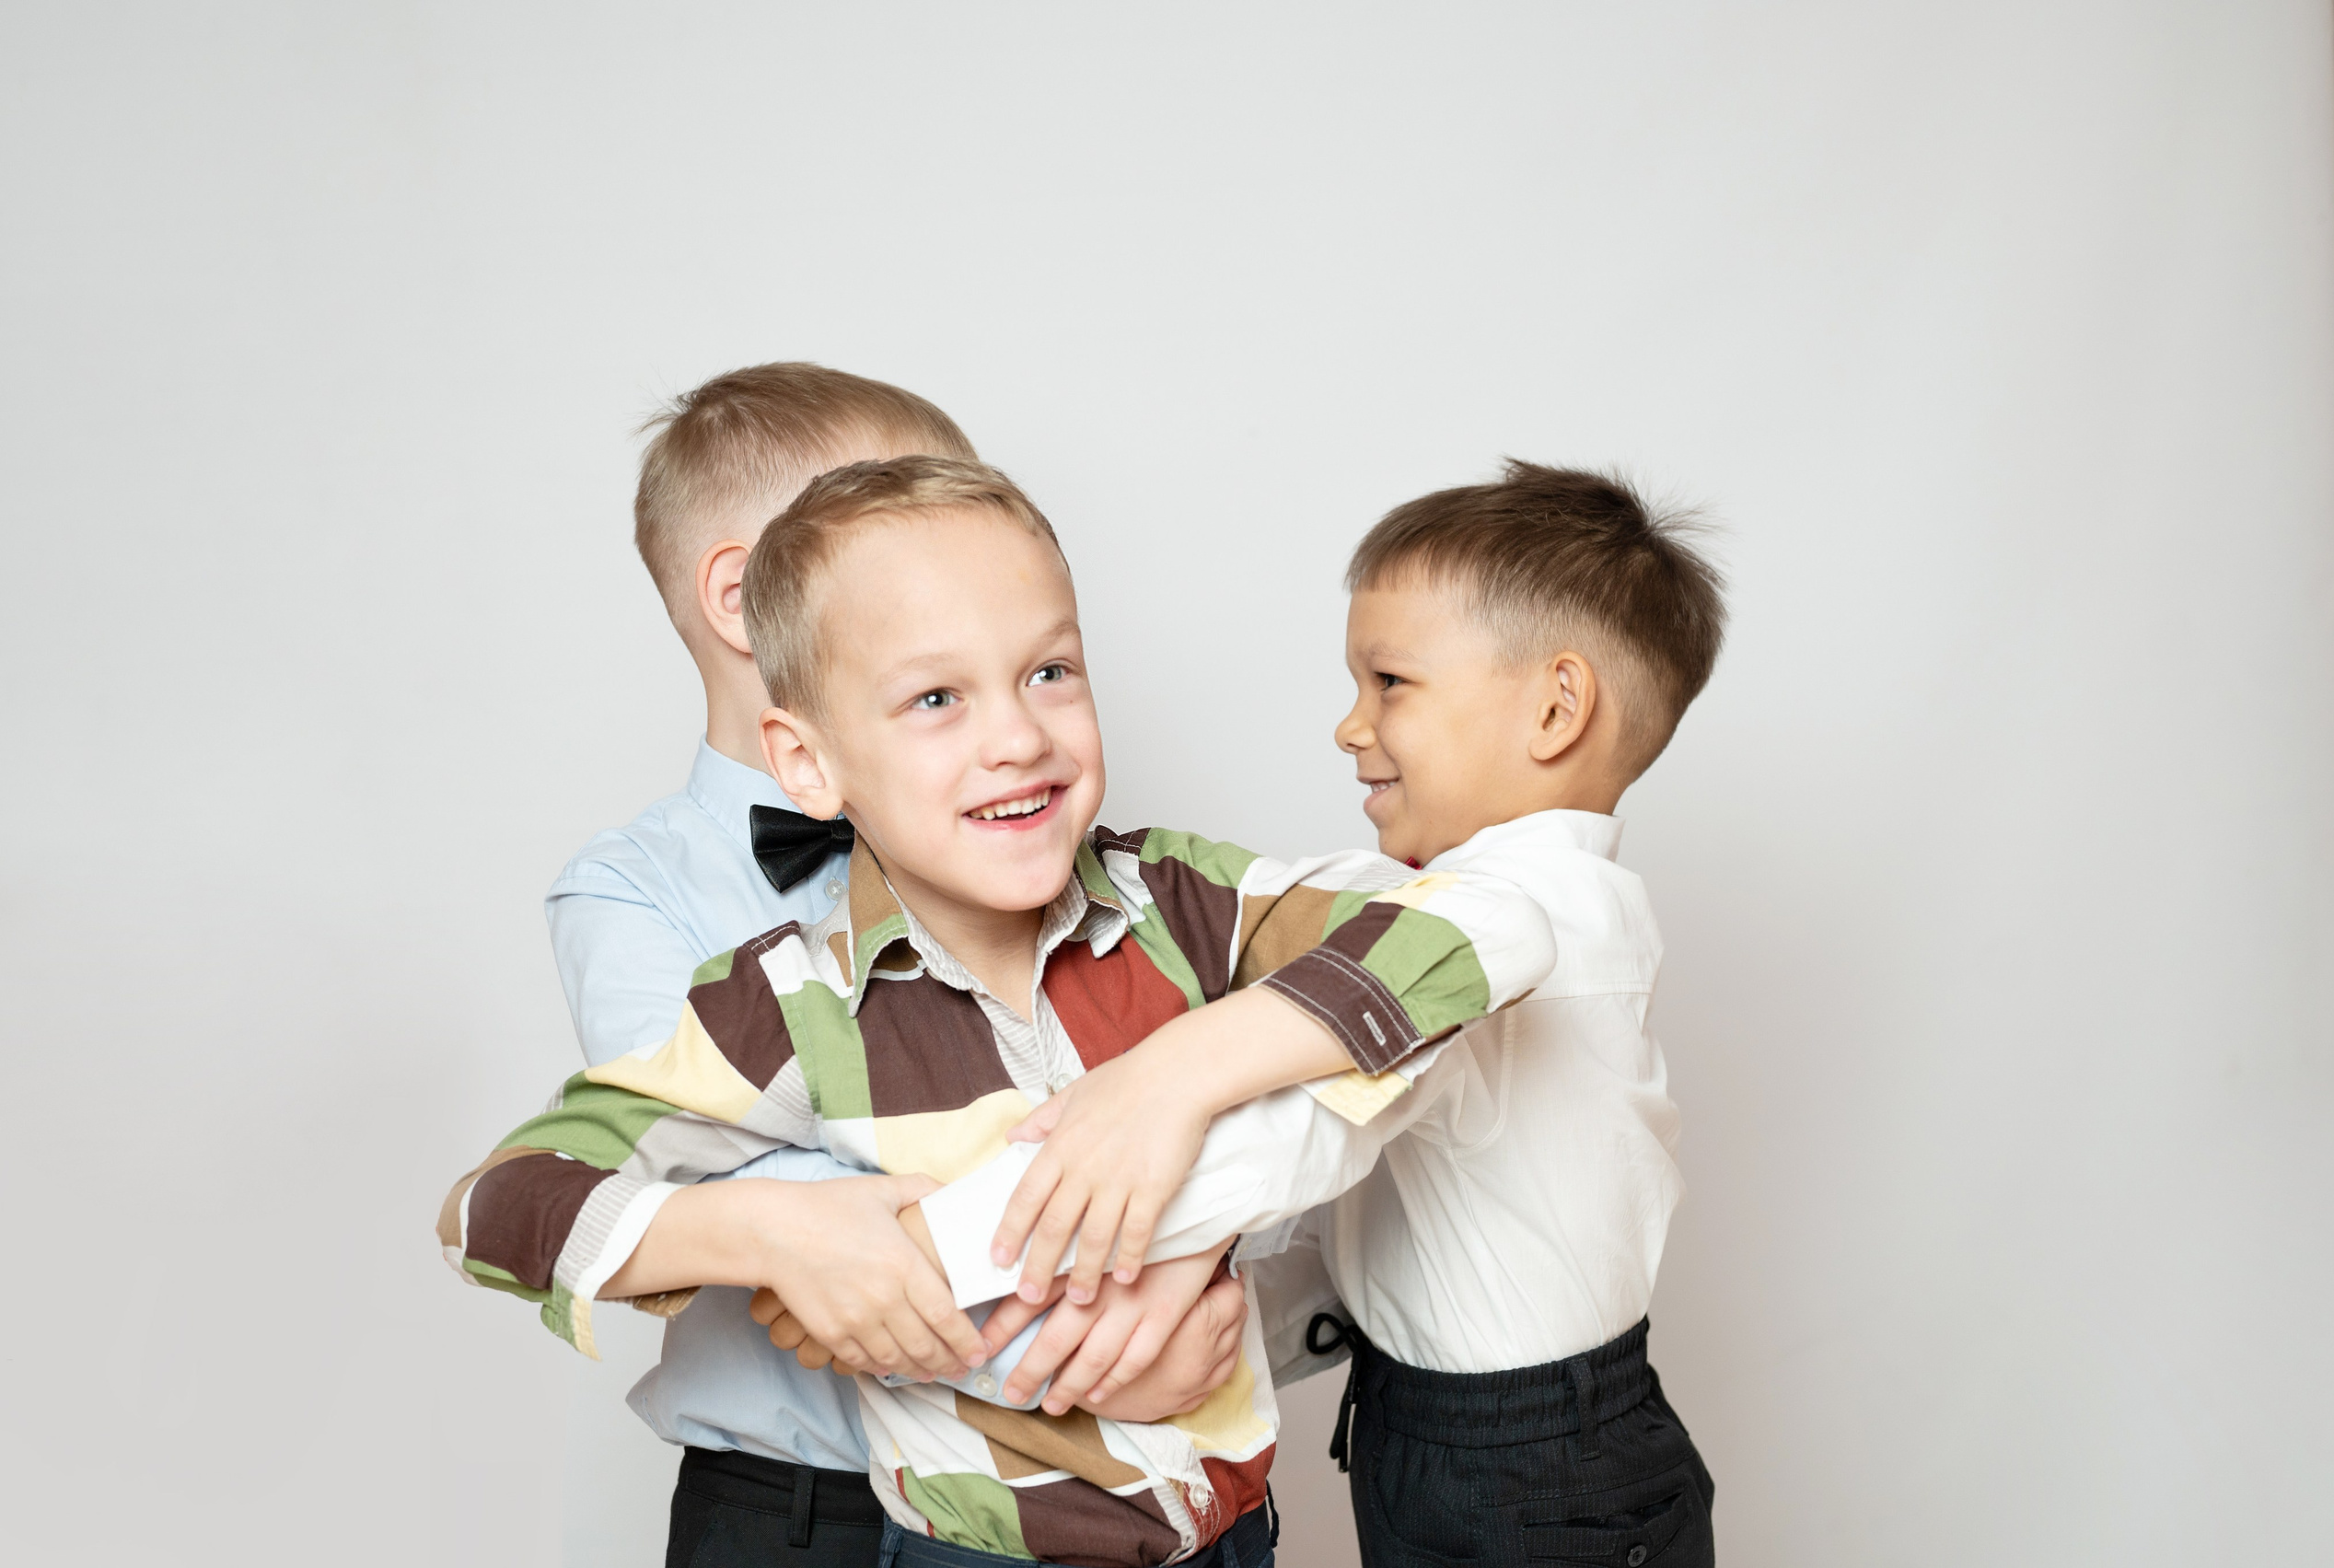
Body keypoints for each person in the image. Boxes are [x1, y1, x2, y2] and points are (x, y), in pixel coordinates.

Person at [439, 456, 1566, 1568]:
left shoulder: (1185, 901)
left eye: (1050, 671)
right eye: (936, 698)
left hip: (1236, 1535)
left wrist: (1179, 1076)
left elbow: (1495, 925)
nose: (1018, 737)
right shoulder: (790, 1008)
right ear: (807, 762)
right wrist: (767, 1232)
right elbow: (495, 1207)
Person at [928, 460, 1726, 1566]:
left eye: (1390, 680)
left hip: (1533, 1469)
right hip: (1449, 1429)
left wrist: (974, 1243)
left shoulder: (1522, 921)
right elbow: (1379, 1231)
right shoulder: (1466, 906)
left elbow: (1296, 1134)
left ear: (1554, 706)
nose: (1349, 725)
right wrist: (1215, 1319)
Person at [532, 366, 1245, 1568]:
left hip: (1090, 1477)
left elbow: (1188, 1108)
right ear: (744, 594)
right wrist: (1103, 1300)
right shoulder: (635, 890)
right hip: (802, 1509)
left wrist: (1182, 1257)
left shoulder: (1038, 841)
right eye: (883, 511)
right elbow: (814, 1222)